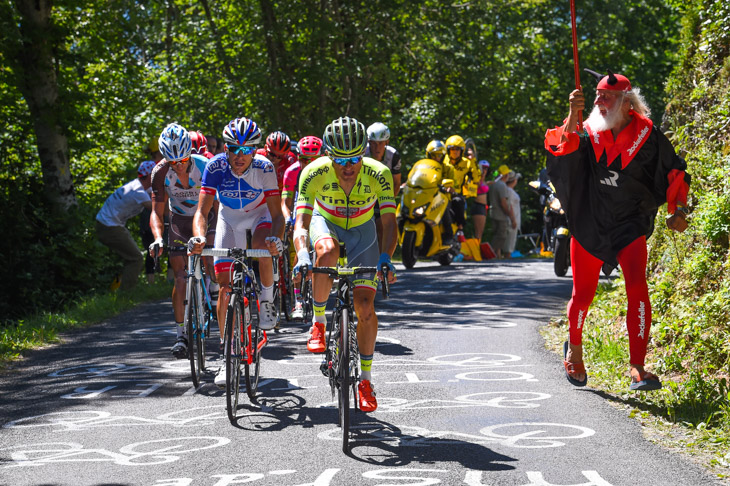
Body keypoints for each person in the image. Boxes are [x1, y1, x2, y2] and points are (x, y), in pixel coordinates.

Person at [545, 69, 690, 391]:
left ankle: (638, 367)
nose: (599, 102)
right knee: (582, 294)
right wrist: (572, 112)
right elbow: (562, 149)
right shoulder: (586, 130)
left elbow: (673, 170)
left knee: (638, 287)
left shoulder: (649, 135)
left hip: (629, 224)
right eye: (596, 96)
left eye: (606, 97)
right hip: (589, 223)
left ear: (626, 102)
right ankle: (575, 352)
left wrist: (678, 208)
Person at [292, 116, 398, 412]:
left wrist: (386, 257)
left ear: (363, 152)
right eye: (340, 159)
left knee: (365, 307)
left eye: (354, 158)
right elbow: (300, 221)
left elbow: (389, 222)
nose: (348, 166)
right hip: (325, 223)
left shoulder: (379, 173)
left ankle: (365, 380)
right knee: (325, 251)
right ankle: (318, 322)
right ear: (328, 154)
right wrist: (302, 254)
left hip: (363, 232)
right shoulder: (313, 172)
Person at [189, 117, 285, 387]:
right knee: (224, 286)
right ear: (225, 149)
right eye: (233, 149)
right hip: (229, 219)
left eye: (246, 150)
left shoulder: (265, 168)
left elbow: (278, 215)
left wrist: (276, 240)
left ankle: (266, 300)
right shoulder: (215, 166)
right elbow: (202, 212)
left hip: (259, 217)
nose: (239, 156)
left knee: (262, 247)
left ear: (255, 150)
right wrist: (198, 236)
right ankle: (227, 354)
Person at [150, 123, 218, 359]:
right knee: (180, 279)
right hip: (179, 221)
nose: (178, 165)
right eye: (173, 161)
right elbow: (156, 213)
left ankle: (216, 290)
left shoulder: (206, 166)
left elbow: (218, 206)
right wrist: (158, 239)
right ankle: (181, 335)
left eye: (183, 159)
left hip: (208, 215)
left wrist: (213, 235)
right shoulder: (160, 172)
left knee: (211, 262)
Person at [281, 135, 324, 319]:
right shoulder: (292, 172)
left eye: (313, 160)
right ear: (297, 157)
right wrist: (287, 219)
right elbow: (285, 202)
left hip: (321, 209)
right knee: (299, 249)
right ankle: (297, 298)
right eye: (304, 159)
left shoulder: (328, 170)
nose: (308, 163)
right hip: (301, 208)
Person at [96, 160, 155, 291]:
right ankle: (126, 294)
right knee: (136, 258)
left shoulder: (140, 185)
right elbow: (156, 209)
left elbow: (155, 193)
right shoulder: (137, 191)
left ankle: (121, 288)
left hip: (108, 223)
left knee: (130, 257)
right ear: (150, 176)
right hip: (109, 226)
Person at [364, 122, 402, 251]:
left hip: (383, 195)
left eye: (381, 143)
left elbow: (396, 183)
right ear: (368, 142)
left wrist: (388, 205)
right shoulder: (362, 154)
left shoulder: (393, 155)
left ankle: (382, 259)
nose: (377, 147)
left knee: (382, 226)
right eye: (373, 143)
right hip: (364, 194)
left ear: (387, 142)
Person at [444, 135, 481, 238]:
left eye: (457, 149)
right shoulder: (443, 160)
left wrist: (473, 161)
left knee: (458, 201)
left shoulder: (467, 163)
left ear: (462, 151)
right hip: (441, 191)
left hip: (456, 193)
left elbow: (476, 179)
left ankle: (460, 229)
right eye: (452, 149)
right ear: (448, 150)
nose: (455, 152)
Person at [488, 166, 518, 258]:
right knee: (501, 235)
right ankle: (490, 252)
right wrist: (509, 215)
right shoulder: (502, 185)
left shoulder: (494, 184)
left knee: (496, 234)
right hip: (500, 214)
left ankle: (497, 254)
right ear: (505, 175)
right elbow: (503, 202)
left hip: (492, 212)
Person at [503, 170, 522, 256]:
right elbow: (509, 206)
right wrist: (513, 220)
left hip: (513, 219)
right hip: (511, 219)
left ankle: (507, 256)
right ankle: (507, 257)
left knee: (511, 241)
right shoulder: (509, 191)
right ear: (514, 180)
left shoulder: (509, 190)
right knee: (509, 242)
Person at [472, 159, 491, 242]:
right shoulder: (476, 179)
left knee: (481, 232)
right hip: (478, 205)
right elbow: (478, 185)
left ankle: (477, 249)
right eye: (483, 168)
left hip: (483, 207)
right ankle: (475, 250)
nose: (484, 170)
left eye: (486, 168)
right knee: (478, 232)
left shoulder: (484, 181)